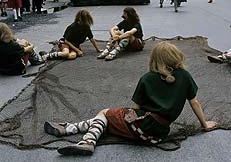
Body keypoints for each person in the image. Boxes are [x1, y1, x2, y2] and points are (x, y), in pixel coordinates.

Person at [44, 41, 217, 156]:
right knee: (106, 120)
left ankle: (87, 141)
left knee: (104, 113)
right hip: (159, 134)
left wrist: (117, 116)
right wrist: (204, 124)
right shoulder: (185, 76)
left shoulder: (148, 78)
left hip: (142, 129)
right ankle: (69, 129)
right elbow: (194, 102)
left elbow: (133, 111)